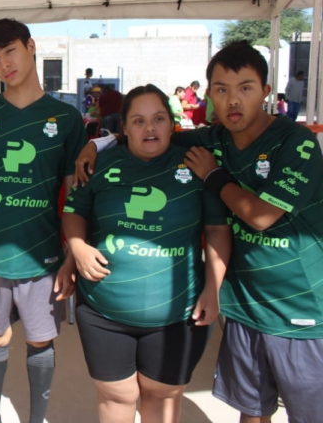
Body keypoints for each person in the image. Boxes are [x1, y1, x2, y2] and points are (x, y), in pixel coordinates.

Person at [75, 41, 323, 423]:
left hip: (300, 307)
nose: (233, 100)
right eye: (222, 90)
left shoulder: (296, 142)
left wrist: (213, 176)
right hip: (244, 306)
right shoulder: (212, 138)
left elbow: (259, 216)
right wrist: (98, 141)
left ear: (267, 92)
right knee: (252, 412)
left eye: (246, 87)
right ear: (209, 96)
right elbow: (150, 134)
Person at [58, 84, 232, 423]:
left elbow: (216, 230)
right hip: (103, 313)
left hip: (179, 316)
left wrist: (213, 289)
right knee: (116, 396)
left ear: (172, 124)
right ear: (124, 128)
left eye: (158, 119)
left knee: (162, 396)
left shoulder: (196, 164)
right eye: (138, 121)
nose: (149, 128)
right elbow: (74, 211)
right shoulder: (99, 164)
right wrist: (77, 248)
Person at [0, 18, 86, 423]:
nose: (3, 64)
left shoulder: (65, 118)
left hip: (44, 255)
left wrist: (70, 255)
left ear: (31, 46)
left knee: (40, 340)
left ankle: (35, 418)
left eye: (9, 51)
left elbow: (73, 196)